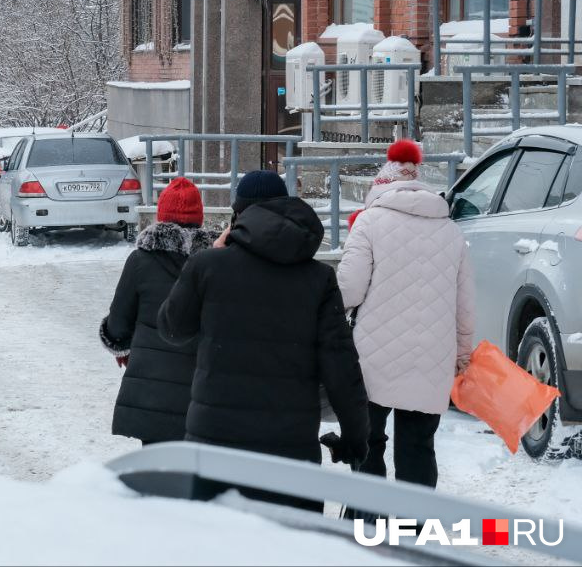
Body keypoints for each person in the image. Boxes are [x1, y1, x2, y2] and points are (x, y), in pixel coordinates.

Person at [158, 170, 369, 507]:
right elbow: (342, 366)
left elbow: (172, 329)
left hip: (215, 444)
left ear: (237, 216)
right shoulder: (319, 278)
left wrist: (207, 258)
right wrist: (357, 437)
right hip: (290, 449)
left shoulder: (208, 266)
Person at [336, 139, 474, 489]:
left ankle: (370, 523)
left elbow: (348, 291)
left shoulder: (368, 222)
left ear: (380, 187)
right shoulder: (452, 231)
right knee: (418, 448)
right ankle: (414, 532)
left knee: (368, 442)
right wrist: (462, 355)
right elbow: (464, 305)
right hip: (432, 358)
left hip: (374, 356)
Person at [99, 177, 218, 445]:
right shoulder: (216, 262)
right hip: (201, 392)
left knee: (155, 473)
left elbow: (118, 323)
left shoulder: (140, 260)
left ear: (161, 216)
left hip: (151, 394)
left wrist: (122, 347)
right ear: (199, 217)